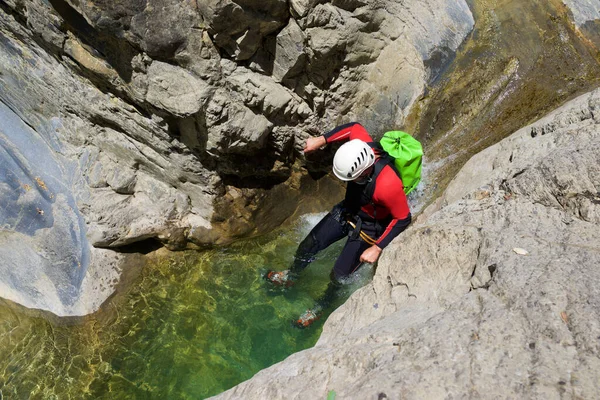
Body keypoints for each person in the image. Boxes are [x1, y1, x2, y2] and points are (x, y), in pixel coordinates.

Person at [266, 122, 412, 328]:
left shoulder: (387, 185)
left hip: (370, 228)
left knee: (339, 276)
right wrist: (321, 140)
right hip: (348, 210)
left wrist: (377, 248)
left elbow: (403, 218)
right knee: (309, 245)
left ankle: (320, 307)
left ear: (364, 170)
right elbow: (354, 127)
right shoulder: (361, 147)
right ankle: (292, 275)